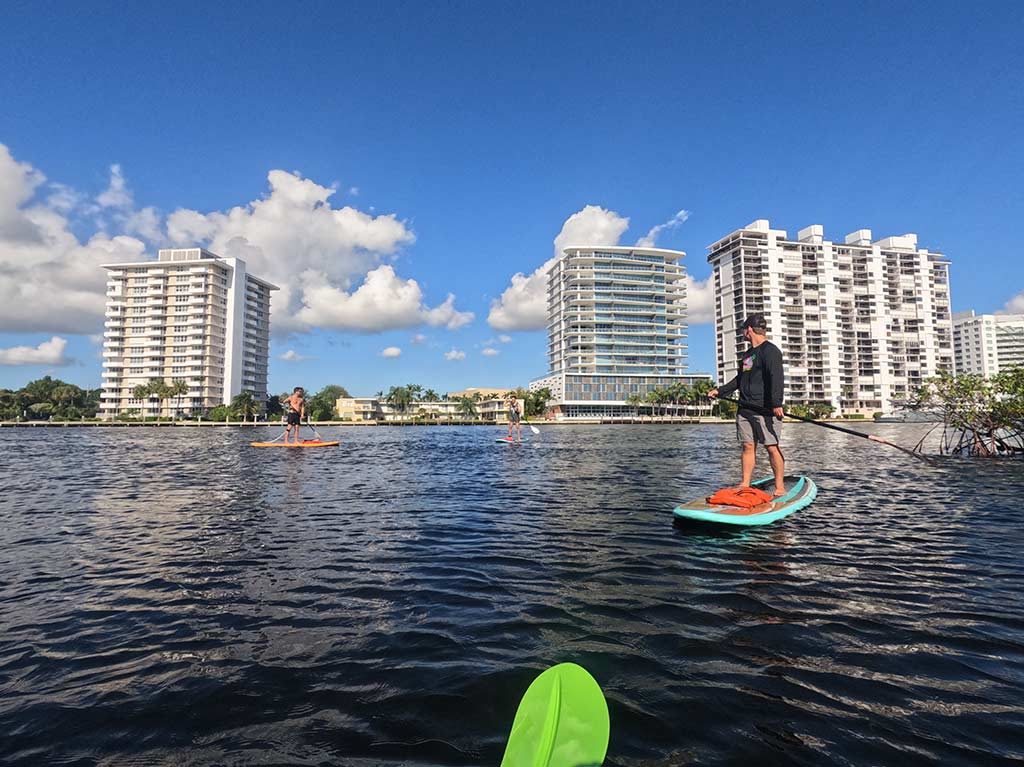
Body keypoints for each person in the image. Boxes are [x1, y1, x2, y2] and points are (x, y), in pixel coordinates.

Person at [708, 314, 786, 496]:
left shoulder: (771, 351)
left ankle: (780, 486)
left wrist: (776, 403)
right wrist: (720, 391)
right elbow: (739, 380)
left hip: (765, 409)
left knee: (771, 446)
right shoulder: (748, 355)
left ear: (749, 329)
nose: (743, 332)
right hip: (745, 409)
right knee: (747, 446)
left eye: (744, 329)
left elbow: (777, 377)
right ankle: (745, 483)